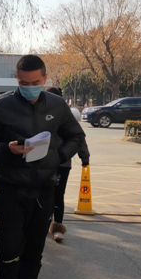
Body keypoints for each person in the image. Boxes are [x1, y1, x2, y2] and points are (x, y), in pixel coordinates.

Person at [0, 55, 85, 279]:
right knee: (10, 248)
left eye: (35, 82)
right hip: (10, 190)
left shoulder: (57, 105)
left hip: (43, 191)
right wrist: (5, 149)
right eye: (24, 83)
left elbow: (76, 136)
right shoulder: (1, 106)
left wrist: (58, 156)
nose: (29, 87)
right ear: (17, 79)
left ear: (45, 78)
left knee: (34, 253)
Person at [45, 87, 90, 243]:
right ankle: (42, 225)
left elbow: (78, 137)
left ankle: (57, 227)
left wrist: (84, 158)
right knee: (43, 195)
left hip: (61, 163)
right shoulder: (39, 114)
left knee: (57, 195)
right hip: (41, 163)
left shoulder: (66, 116)